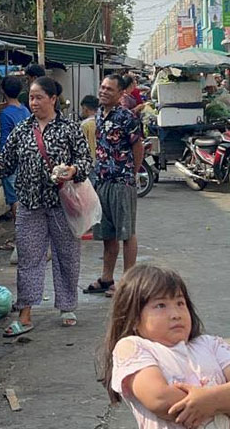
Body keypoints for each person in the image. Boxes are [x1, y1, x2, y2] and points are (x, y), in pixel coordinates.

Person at [0, 76, 93, 336]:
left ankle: (67, 305)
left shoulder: (69, 129)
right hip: (29, 205)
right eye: (31, 98)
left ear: (53, 99)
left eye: (38, 97)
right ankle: (25, 313)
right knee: (28, 259)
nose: (33, 102)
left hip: (62, 204)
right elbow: (6, 162)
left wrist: (73, 169)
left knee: (66, 255)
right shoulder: (22, 130)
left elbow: (86, 161)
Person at [101, 264, 230, 428]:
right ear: (134, 318)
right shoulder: (132, 347)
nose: (176, 314)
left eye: (180, 303)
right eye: (161, 305)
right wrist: (229, 406)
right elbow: (160, 399)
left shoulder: (210, 344)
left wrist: (211, 402)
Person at [84, 74, 143, 298]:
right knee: (107, 233)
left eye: (109, 89)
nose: (104, 91)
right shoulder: (99, 114)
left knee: (126, 231)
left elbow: (138, 148)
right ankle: (107, 277)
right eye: (102, 87)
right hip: (102, 180)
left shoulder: (127, 117)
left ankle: (128, 282)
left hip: (121, 181)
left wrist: (131, 174)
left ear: (121, 94)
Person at [0, 76, 31, 255]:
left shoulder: (6, 114)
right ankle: (25, 237)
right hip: (25, 160)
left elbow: (5, 140)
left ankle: (22, 240)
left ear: (3, 91)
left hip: (11, 162)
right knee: (22, 199)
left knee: (15, 201)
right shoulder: (25, 110)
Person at [80, 95, 99, 160]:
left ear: (85, 109)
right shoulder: (101, 122)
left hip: (89, 159)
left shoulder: (84, 125)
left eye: (82, 108)